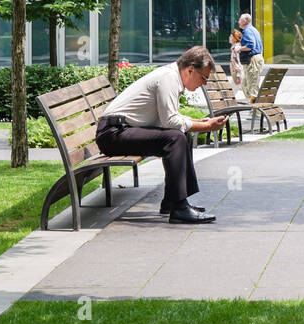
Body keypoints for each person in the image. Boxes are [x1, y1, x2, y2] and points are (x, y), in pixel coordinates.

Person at [96, 46, 227, 224]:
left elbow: (168, 117)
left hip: (121, 130)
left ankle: (172, 201)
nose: (204, 83)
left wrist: (199, 122)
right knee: (176, 138)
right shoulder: (169, 78)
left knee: (182, 135)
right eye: (203, 78)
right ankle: (179, 208)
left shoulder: (171, 76)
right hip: (112, 135)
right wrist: (206, 127)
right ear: (190, 70)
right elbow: (170, 122)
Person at [238, 12, 264, 97]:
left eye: (240, 20)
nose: (238, 22)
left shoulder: (248, 30)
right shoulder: (253, 29)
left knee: (252, 88)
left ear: (245, 21)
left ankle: (254, 108)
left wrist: (239, 48)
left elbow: (250, 46)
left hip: (252, 61)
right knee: (246, 84)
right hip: (256, 59)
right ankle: (251, 106)